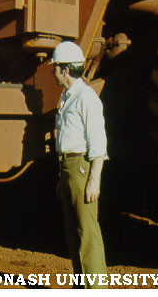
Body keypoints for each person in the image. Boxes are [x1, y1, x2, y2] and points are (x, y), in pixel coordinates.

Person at [50, 41, 108, 289]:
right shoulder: (66, 97)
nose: (52, 72)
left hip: (82, 167)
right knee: (73, 233)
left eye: (55, 68)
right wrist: (62, 177)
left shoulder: (86, 97)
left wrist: (94, 178)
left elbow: (98, 142)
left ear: (65, 70)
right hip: (68, 167)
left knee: (87, 233)